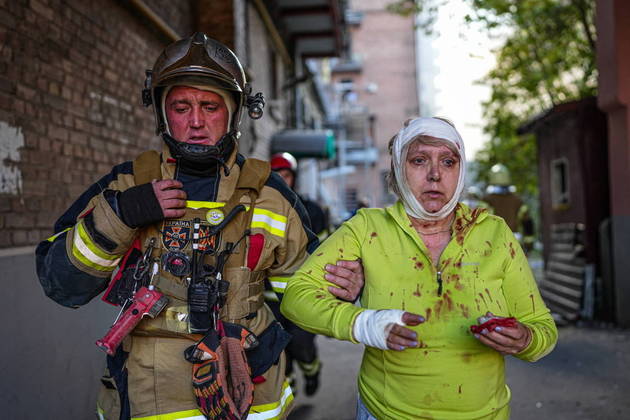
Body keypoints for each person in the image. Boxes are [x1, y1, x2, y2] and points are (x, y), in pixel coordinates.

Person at [35, 33, 361, 420]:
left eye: (210, 106)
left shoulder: (271, 196)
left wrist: (343, 289)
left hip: (252, 396)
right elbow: (62, 285)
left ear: (234, 114)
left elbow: (305, 296)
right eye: (180, 106)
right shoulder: (125, 187)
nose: (195, 122)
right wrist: (123, 214)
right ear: (161, 112)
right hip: (150, 398)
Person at [281, 117, 558, 419]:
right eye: (419, 160)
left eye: (448, 161)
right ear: (399, 170)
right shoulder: (367, 228)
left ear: (460, 170)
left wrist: (525, 340)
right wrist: (364, 324)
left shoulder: (493, 233)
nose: (435, 175)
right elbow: (296, 297)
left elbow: (543, 329)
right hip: (385, 413)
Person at [267, 152, 328, 396]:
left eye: (286, 175)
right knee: (278, 351)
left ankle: (312, 370)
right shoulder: (259, 210)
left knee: (302, 346)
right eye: (276, 176)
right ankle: (289, 392)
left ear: (293, 177)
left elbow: (325, 252)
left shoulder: (312, 211)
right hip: (269, 299)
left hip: (303, 293)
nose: (282, 180)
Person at [483, 163, 535, 254]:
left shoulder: (487, 200)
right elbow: (527, 223)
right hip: (515, 244)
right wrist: (529, 244)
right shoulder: (518, 200)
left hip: (492, 244)